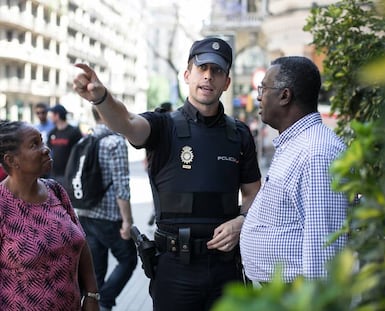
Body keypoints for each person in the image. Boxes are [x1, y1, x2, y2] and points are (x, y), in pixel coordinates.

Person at [73, 37, 262, 311]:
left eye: (217, 71)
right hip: (175, 270)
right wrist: (102, 98)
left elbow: (253, 192)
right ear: (187, 75)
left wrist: (242, 220)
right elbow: (125, 122)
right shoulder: (163, 125)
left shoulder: (239, 133)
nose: (208, 76)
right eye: (202, 68)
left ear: (227, 83)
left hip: (225, 269)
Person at [240, 56, 349, 284]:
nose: (259, 96)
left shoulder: (316, 153)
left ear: (284, 96)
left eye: (264, 88)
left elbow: (324, 256)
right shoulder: (296, 144)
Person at [0, 120, 99, 311]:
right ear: (12, 160)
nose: (45, 149)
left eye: (42, 141)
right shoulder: (3, 205)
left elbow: (82, 242)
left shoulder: (56, 191)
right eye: (34, 145)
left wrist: (92, 295)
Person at [77, 107, 137, 311]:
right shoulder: (115, 142)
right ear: (105, 114)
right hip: (109, 216)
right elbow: (122, 184)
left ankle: (96, 305)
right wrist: (127, 220)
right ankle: (105, 302)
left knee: (97, 268)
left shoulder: (85, 139)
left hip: (85, 212)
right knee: (129, 259)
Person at [146, 101, 173, 226]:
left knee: (156, 190)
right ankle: (158, 211)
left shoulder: (156, 124)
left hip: (153, 162)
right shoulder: (169, 124)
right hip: (167, 163)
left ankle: (155, 210)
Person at [47, 104, 83, 187]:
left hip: (69, 174)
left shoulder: (74, 132)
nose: (50, 117)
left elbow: (80, 153)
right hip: (54, 174)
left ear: (57, 115)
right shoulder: (52, 133)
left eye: (51, 114)